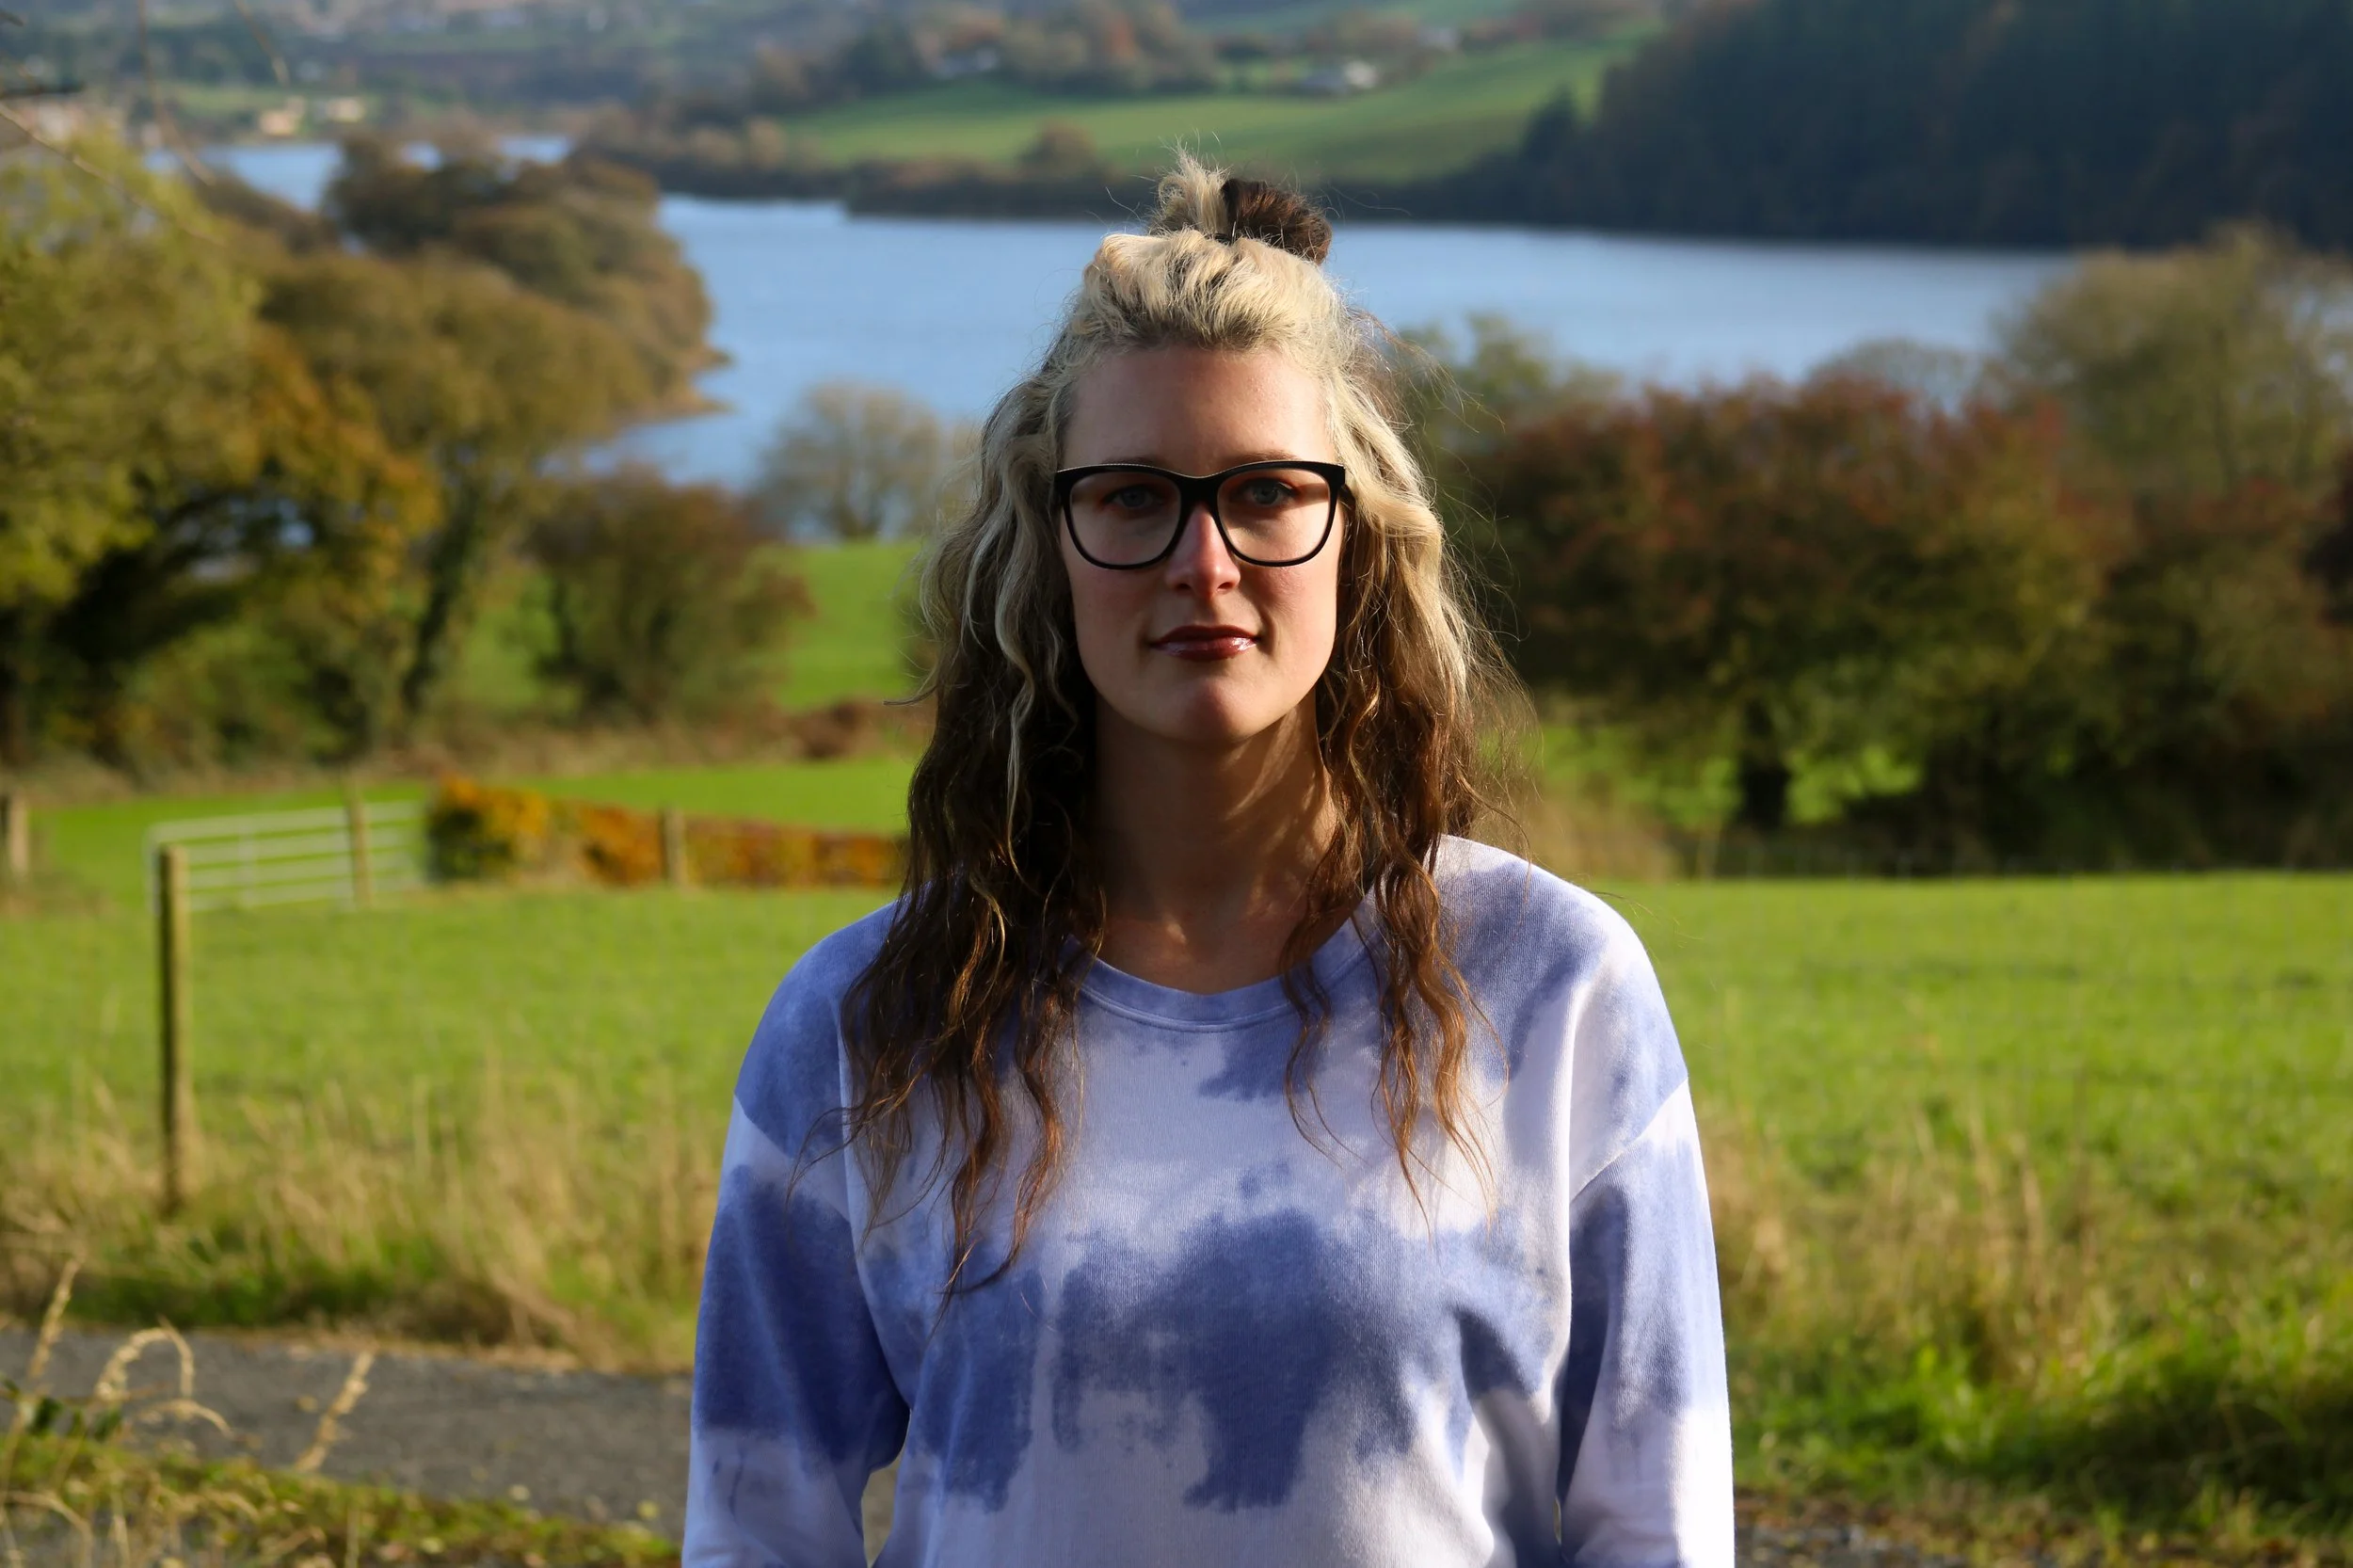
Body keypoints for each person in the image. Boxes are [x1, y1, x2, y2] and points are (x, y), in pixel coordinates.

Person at [684, 158, 1733, 1568]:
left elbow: (1660, 1525)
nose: (1206, 560)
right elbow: (756, 1531)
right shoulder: (867, 1019)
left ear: (1354, 536)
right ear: (1045, 543)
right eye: (1131, 498)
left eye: (1262, 492)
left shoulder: (1557, 984)